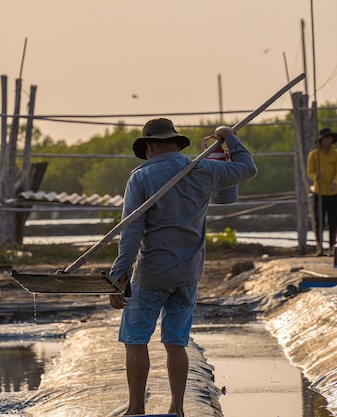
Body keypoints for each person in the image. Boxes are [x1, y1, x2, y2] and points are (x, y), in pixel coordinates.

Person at [108, 118, 258, 416]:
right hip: (188, 273)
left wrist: (119, 275)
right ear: (176, 143)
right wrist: (231, 139)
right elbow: (248, 168)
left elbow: (131, 230)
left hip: (152, 274)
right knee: (176, 342)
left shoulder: (141, 177)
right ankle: (176, 408)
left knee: (135, 340)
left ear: (149, 146)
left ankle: (136, 409)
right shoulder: (204, 169)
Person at [307, 127, 337, 256]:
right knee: (319, 220)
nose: (328, 141)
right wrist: (314, 176)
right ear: (321, 140)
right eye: (326, 138)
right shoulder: (314, 155)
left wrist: (335, 182)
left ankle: (332, 247)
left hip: (333, 192)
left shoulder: (336, 154)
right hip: (319, 191)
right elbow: (310, 171)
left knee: (333, 220)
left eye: (330, 138)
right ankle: (319, 247)